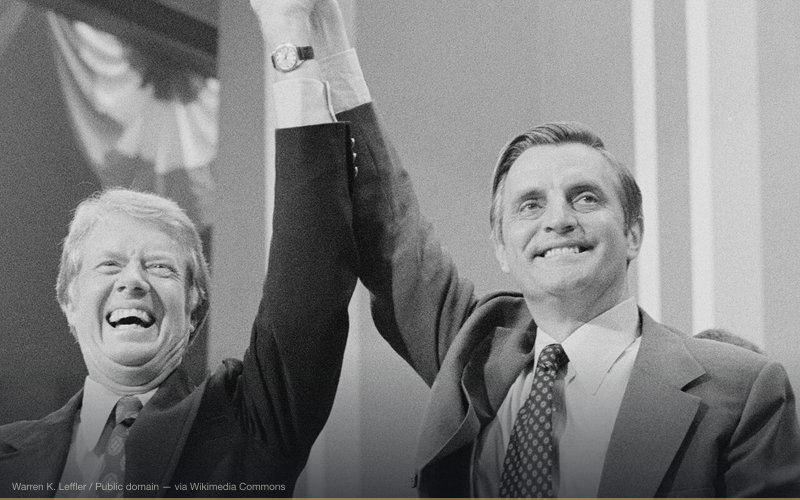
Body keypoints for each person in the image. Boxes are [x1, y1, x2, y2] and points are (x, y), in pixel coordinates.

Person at [256, 0, 800, 497]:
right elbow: (387, 222)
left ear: (633, 232)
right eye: (530, 205)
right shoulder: (474, 350)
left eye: (585, 198)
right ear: (501, 247)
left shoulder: (743, 390)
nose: (558, 220)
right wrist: (314, 32)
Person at [0, 97, 358, 494]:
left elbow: (309, 289)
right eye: (110, 265)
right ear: (69, 302)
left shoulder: (249, 423)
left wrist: (294, 58)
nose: (133, 281)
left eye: (159, 267)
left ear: (194, 311)